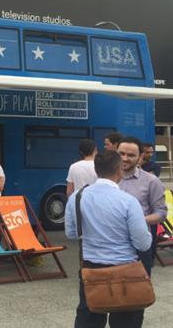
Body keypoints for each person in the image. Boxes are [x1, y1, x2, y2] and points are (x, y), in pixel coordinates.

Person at [65, 150, 152, 328]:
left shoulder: (76, 197)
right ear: (120, 170)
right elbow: (143, 243)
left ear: (96, 170)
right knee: (126, 321)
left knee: (88, 318)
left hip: (91, 268)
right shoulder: (128, 201)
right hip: (125, 271)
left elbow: (71, 234)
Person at [117, 136, 167, 277]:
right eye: (121, 154)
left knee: (137, 288)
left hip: (138, 245)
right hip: (110, 245)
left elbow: (161, 213)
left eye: (131, 155)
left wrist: (137, 220)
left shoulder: (151, 181)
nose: (125, 158)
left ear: (140, 157)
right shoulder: (104, 179)